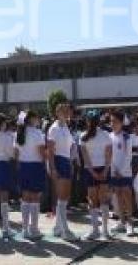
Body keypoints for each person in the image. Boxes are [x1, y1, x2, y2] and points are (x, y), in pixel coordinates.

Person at [47, 103, 79, 240]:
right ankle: (65, 231)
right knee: (62, 196)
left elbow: (71, 146)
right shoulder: (54, 128)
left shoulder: (65, 127)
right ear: (57, 112)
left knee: (65, 197)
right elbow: (50, 150)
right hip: (59, 161)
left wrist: (71, 161)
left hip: (65, 161)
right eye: (64, 111)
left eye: (68, 111)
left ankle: (58, 227)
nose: (67, 113)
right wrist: (53, 168)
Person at [80, 112, 113, 240]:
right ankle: (104, 231)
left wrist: (93, 172)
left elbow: (85, 158)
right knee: (103, 200)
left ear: (88, 121)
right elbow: (109, 155)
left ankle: (96, 231)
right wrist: (105, 171)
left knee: (93, 201)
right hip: (102, 169)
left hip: (90, 170)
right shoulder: (106, 135)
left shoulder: (83, 136)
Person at [16, 110, 47, 240]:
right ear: (32, 119)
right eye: (37, 117)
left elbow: (16, 153)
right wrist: (47, 162)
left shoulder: (19, 133)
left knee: (25, 197)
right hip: (35, 166)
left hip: (23, 166)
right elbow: (41, 152)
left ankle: (25, 229)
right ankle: (33, 228)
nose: (39, 120)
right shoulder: (37, 133)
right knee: (35, 197)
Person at [108, 110, 136, 236]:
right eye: (111, 121)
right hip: (114, 171)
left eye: (115, 121)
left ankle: (130, 223)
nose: (112, 124)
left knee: (127, 196)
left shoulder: (126, 136)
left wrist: (121, 170)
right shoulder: (109, 136)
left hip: (125, 172)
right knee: (117, 196)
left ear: (121, 122)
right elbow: (109, 155)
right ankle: (121, 221)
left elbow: (128, 155)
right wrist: (114, 169)